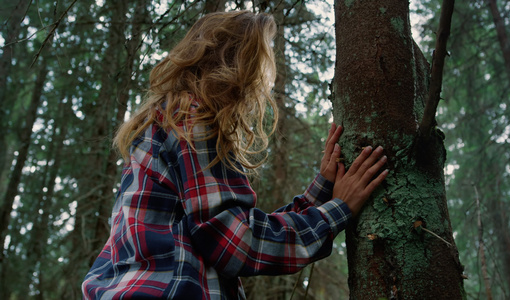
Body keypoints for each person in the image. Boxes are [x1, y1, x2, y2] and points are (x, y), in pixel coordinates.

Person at [82, 10, 388, 299]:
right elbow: (236, 243)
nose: (263, 81)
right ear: (236, 63)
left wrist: (322, 190)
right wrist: (339, 209)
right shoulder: (191, 115)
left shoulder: (166, 119)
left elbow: (227, 228)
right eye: (261, 60)